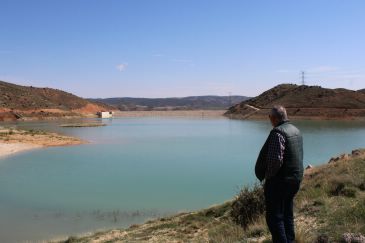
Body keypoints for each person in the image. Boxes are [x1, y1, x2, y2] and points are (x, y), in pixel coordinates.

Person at [255, 105, 303, 243]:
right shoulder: (296, 130)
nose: (269, 120)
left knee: (275, 219)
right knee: (287, 214)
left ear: (274, 118)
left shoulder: (278, 133)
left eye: (270, 117)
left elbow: (275, 161)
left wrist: (269, 178)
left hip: (280, 182)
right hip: (295, 180)